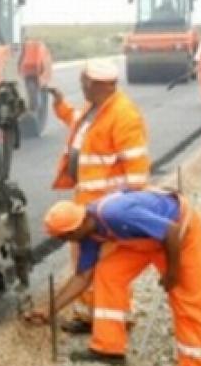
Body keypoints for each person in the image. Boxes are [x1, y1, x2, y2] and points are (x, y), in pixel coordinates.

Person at [22, 191, 201, 366]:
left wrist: (173, 273)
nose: (66, 241)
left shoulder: (115, 214)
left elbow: (171, 232)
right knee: (108, 274)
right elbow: (82, 277)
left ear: (79, 225)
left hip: (181, 234)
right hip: (146, 239)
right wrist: (49, 309)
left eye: (65, 236)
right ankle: (109, 348)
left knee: (189, 301)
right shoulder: (88, 233)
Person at [46, 59, 150, 333]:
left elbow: (137, 172)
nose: (82, 86)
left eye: (85, 82)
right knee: (83, 260)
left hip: (106, 208)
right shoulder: (95, 108)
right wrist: (60, 104)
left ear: (99, 84)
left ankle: (116, 319)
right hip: (86, 203)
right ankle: (88, 315)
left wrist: (121, 209)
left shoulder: (124, 116)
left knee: (107, 265)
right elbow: (77, 125)